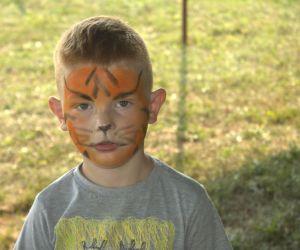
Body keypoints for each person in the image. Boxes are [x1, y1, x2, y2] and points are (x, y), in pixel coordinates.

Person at [14, 16, 232, 250]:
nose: (104, 123)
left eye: (123, 103)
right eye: (84, 106)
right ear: (60, 114)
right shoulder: (50, 208)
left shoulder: (188, 202)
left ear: (153, 106)